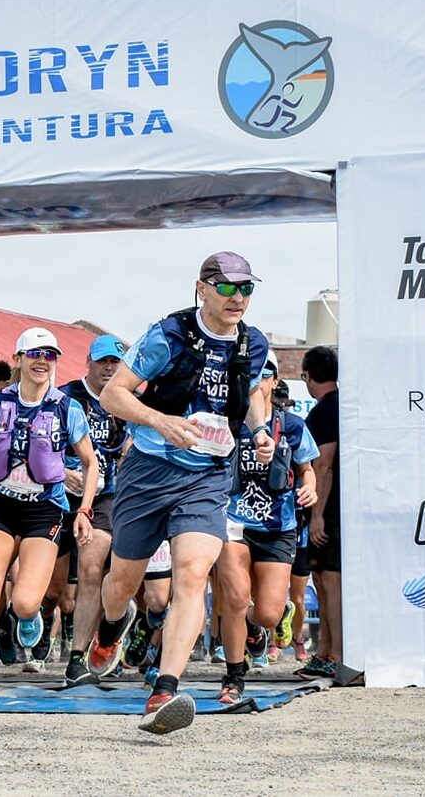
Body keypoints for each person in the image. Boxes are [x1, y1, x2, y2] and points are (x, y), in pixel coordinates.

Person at [90, 251, 272, 734]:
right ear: (202, 287)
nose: (238, 298)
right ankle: (111, 626)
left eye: (247, 289)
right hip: (149, 470)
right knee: (123, 584)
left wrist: (259, 430)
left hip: (207, 476)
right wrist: (159, 421)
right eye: (228, 287)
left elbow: (250, 392)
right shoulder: (168, 335)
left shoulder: (253, 344)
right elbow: (114, 394)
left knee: (192, 574)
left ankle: (163, 692)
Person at [0, 328, 98, 710]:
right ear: (17, 358)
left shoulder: (67, 408)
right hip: (0, 505)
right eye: (34, 353)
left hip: (44, 509)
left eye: (49, 355)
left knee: (27, 602)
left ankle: (25, 617)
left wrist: (84, 509)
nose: (41, 361)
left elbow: (90, 462)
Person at [215, 361, 318, 704]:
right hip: (234, 522)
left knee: (268, 613)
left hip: (278, 526)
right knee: (234, 599)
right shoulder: (227, 423)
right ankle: (233, 677)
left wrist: (309, 488)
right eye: (250, 376)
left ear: (275, 382)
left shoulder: (292, 425)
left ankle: (259, 625)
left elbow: (307, 470)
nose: (256, 382)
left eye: (264, 375)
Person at [60, 334, 130, 687]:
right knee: (45, 591)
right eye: (103, 361)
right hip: (56, 491)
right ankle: (23, 624)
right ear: (88, 361)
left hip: (106, 495)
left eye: (115, 362)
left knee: (91, 567)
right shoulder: (65, 396)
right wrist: (61, 470)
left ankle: (78, 655)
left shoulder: (127, 400)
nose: (108, 368)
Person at [301, 345, 340, 680]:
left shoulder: (325, 411)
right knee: (323, 579)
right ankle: (326, 650)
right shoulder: (340, 407)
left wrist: (317, 515)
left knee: (330, 581)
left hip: (332, 511)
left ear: (308, 377)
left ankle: (336, 654)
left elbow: (323, 465)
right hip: (338, 508)